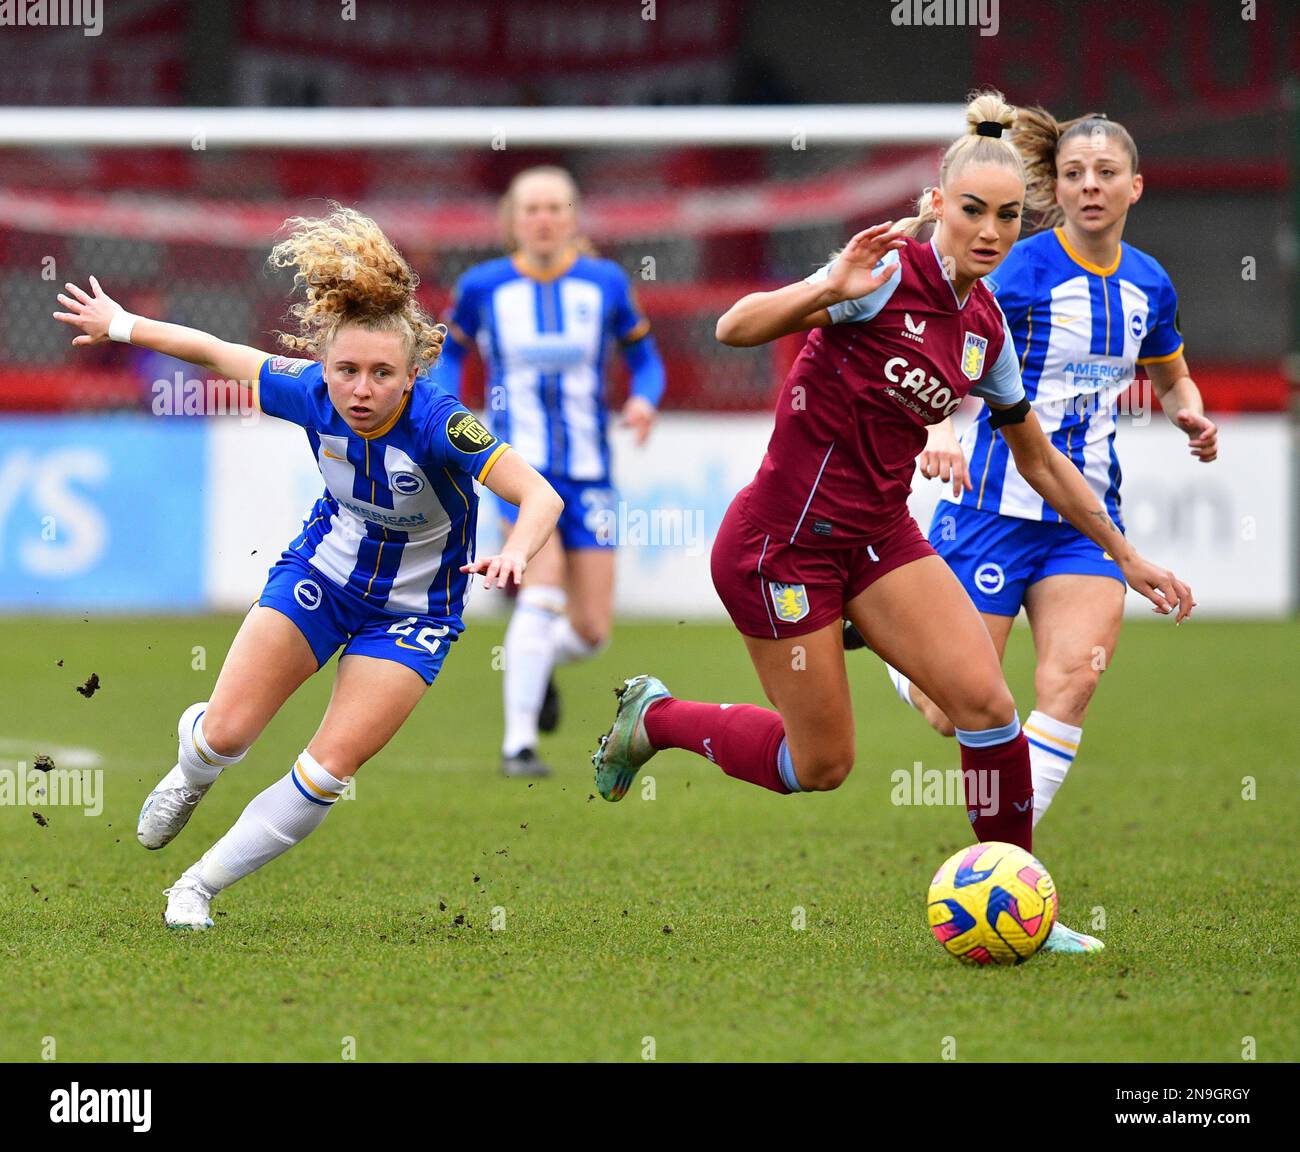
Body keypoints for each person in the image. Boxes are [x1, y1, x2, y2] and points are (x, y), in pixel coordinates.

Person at [590, 91, 1195, 954]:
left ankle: (1022, 902)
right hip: (779, 549)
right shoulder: (879, 278)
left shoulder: (986, 327)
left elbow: (1039, 459)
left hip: (880, 541)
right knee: (822, 766)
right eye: (975, 211)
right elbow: (732, 328)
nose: (990, 230)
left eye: (1009, 216)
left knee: (988, 705)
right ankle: (656, 719)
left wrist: (1123, 553)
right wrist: (822, 288)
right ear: (939, 205)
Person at [53, 204, 562, 930]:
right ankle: (194, 761)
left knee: (328, 770)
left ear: (414, 374)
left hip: (416, 615)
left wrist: (516, 552)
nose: (359, 389)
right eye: (346, 370)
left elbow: (538, 494)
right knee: (225, 736)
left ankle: (194, 888)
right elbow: (216, 351)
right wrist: (122, 325)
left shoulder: (444, 424)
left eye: (381, 373)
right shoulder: (308, 391)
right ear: (324, 366)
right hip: (320, 579)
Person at [860, 107, 1217, 829]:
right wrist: (939, 425)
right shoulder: (1019, 268)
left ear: (1135, 187)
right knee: (949, 709)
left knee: (1073, 680)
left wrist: (1189, 409)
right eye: (1074, 174)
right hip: (992, 507)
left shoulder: (1150, 283)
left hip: (1083, 519)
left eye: (1106, 174)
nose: (1091, 186)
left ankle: (1007, 868)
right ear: (1055, 185)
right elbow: (942, 338)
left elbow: (1172, 372)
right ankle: (885, 637)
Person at [429, 165, 666, 777]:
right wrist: (449, 415)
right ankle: (518, 746)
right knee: (543, 586)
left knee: (591, 631)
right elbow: (447, 358)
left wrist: (644, 399)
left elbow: (646, 363)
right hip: (517, 469)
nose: (543, 219)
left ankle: (538, 667)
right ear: (512, 219)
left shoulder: (606, 283)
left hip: (591, 473)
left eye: (555, 208)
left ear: (572, 217)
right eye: (530, 208)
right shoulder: (483, 286)